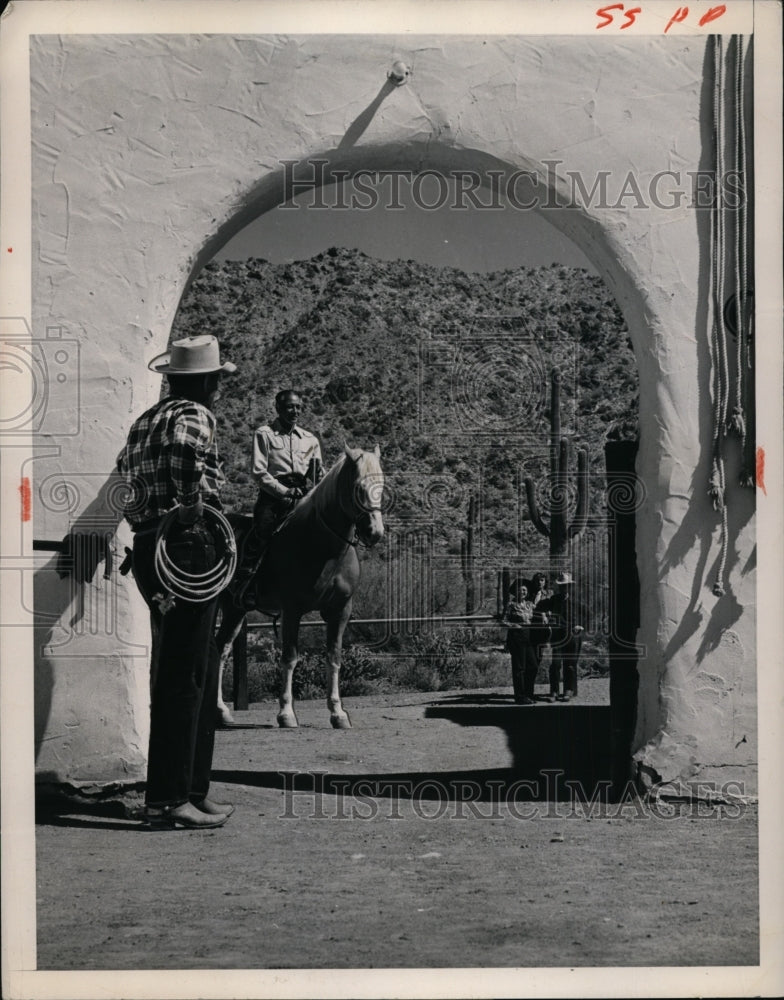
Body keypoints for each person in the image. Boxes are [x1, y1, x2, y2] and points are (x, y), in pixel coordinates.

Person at [116, 335, 237, 829]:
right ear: (207, 382)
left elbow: (123, 474)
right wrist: (189, 503)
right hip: (186, 544)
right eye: (216, 382)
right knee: (185, 671)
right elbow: (188, 451)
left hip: (151, 546)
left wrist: (144, 517)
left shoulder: (144, 421)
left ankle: (192, 788)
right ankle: (168, 799)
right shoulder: (195, 414)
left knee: (199, 663)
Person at [233, 390, 324, 609]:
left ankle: (327, 587)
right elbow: (259, 472)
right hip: (273, 496)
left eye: (299, 407)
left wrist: (317, 478)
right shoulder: (264, 434)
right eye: (290, 407)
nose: (295, 411)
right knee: (262, 532)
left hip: (302, 496)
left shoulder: (310, 439)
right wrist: (283, 491)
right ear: (278, 409)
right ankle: (249, 584)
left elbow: (317, 473)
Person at [536, 571, 585, 701]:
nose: (564, 588)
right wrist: (544, 614)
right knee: (555, 664)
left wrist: (581, 625)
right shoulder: (553, 599)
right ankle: (554, 691)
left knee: (570, 664)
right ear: (559, 587)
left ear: (570, 587)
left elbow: (588, 614)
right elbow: (538, 607)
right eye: (562, 586)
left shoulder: (576, 601)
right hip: (557, 636)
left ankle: (569, 690)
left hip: (573, 636)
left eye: (567, 586)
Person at [502, 581, 539, 705]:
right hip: (516, 636)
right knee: (519, 667)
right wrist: (514, 625)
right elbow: (504, 621)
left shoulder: (530, 605)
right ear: (515, 591)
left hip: (529, 636)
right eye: (520, 590)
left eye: (524, 590)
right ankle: (520, 696)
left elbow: (539, 614)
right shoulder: (511, 605)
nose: (522, 592)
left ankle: (529, 693)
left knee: (533, 665)